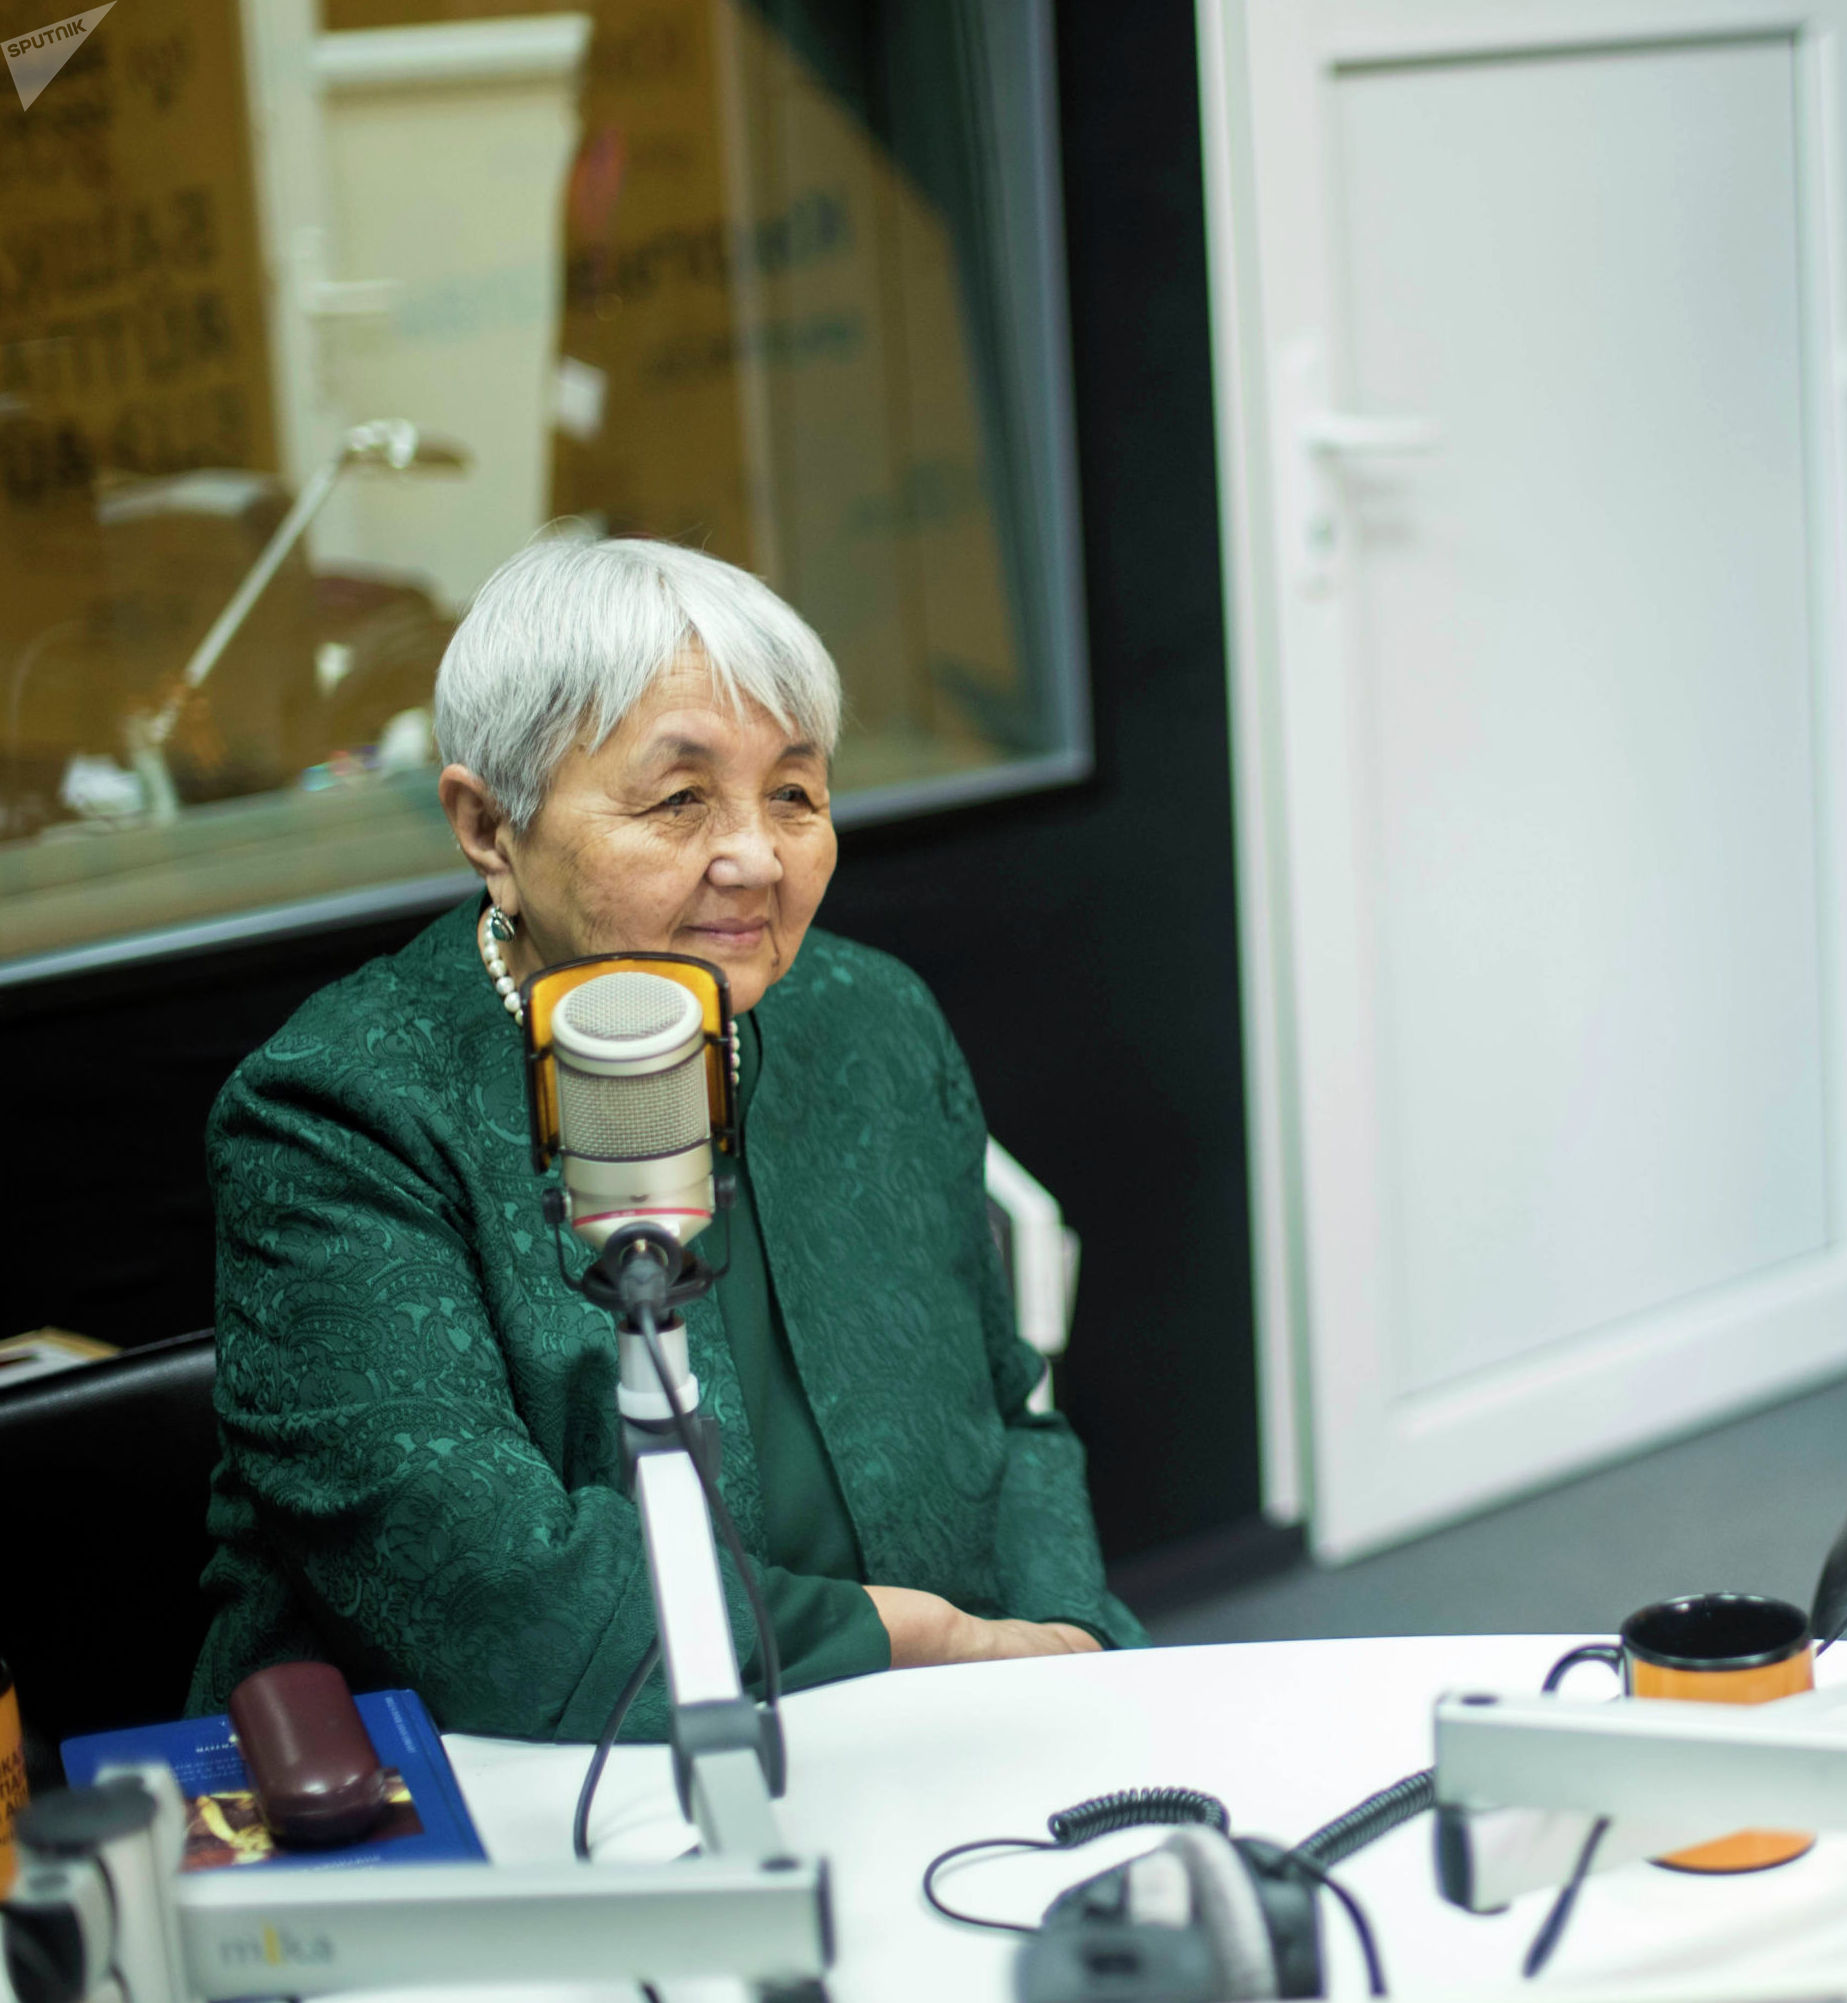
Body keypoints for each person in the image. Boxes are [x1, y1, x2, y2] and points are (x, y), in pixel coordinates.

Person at [191, 534, 1143, 1742]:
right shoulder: (341, 1109)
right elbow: (495, 1603)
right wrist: (922, 1637)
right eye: (680, 798)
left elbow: (1008, 1416)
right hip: (518, 1776)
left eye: (793, 792)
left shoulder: (871, 1018)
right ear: (489, 826)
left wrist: (1074, 1646)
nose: (755, 856)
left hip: (918, 1736)